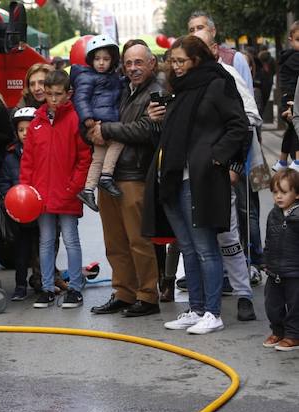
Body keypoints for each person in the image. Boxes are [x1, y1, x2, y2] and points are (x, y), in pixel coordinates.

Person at [142, 36, 249, 335]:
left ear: (197, 60)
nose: (174, 67)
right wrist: (156, 121)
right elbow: (170, 136)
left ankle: (213, 313)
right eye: (172, 61)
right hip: (174, 178)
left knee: (204, 249)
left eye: (181, 61)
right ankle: (197, 308)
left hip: (198, 178)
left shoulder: (216, 83)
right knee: (188, 248)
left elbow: (238, 125)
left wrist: (216, 158)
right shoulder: (179, 90)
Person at [181, 22, 261, 322]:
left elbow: (248, 118)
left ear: (212, 50)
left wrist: (232, 163)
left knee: (227, 235)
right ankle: (201, 303)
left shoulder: (226, 76)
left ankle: (243, 295)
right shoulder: (182, 82)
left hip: (217, 172)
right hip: (190, 175)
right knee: (196, 241)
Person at [87, 39, 163, 318]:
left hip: (134, 175)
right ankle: (124, 292)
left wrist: (106, 129)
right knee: (115, 241)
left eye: (139, 62)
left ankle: (147, 296)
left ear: (151, 63)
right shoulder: (122, 88)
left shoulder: (156, 91)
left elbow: (145, 129)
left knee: (138, 242)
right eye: (129, 63)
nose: (133, 68)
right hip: (113, 174)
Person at [19, 69, 91, 309]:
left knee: (71, 240)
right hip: (41, 195)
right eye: (49, 94)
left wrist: (74, 186)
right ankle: (47, 287)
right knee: (46, 241)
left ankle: (75, 288)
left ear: (68, 93)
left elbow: (84, 158)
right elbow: (27, 159)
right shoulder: (37, 122)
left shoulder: (75, 119)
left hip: (67, 193)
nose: (52, 99)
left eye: (57, 94)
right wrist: (26, 191)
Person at [72, 34, 125, 213]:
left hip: (104, 120)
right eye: (97, 59)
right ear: (90, 60)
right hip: (100, 121)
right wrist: (87, 118)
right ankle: (107, 176)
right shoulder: (87, 77)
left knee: (97, 159)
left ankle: (88, 190)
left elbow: (118, 88)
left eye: (106, 59)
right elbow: (80, 98)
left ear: (113, 61)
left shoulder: (114, 78)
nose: (101, 63)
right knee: (118, 141)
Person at [0, 106, 38, 301]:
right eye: (21, 130)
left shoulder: (43, 153)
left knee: (41, 250)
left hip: (40, 212)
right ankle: (20, 286)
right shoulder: (10, 157)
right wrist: (9, 200)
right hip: (19, 215)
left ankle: (41, 283)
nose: (24, 134)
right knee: (20, 253)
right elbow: (4, 182)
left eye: (28, 130)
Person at [262, 170, 299, 351]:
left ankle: (293, 335)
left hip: (294, 272)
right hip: (274, 270)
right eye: (275, 192)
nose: (278, 197)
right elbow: (269, 239)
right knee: (272, 304)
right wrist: (265, 260)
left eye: (284, 192)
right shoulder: (273, 215)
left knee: (295, 305)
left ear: (297, 194)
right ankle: (278, 330)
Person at [273, 22, 299, 171]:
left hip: (289, 98)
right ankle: (296, 161)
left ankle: (282, 161)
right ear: (290, 40)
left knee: (291, 130)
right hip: (292, 99)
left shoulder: (288, 56)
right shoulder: (295, 57)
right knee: (296, 128)